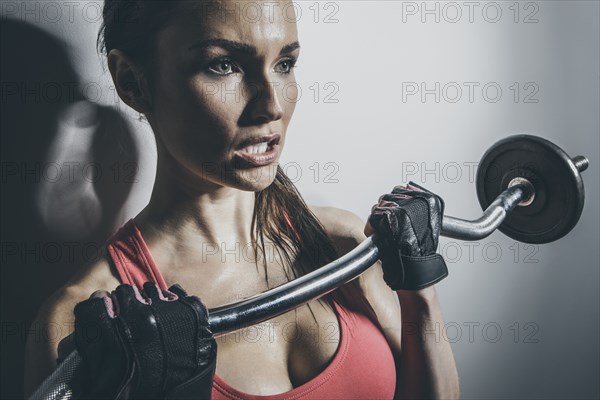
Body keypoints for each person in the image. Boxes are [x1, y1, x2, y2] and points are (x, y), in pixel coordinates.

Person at [24, 1, 460, 398]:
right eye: (224, 65)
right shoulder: (85, 321)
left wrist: (419, 292)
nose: (270, 105)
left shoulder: (342, 245)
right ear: (132, 82)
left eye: (285, 63)